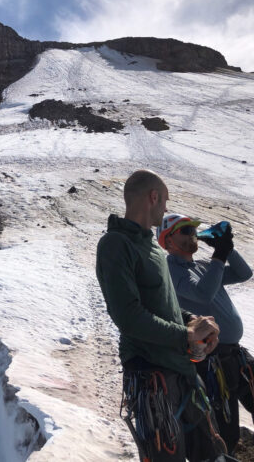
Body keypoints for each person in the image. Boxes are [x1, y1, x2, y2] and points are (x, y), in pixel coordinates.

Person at [96, 170, 227, 462]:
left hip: (179, 373)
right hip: (152, 378)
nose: (166, 208)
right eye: (165, 200)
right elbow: (128, 316)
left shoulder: (151, 249)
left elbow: (164, 306)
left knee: (211, 455)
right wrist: (186, 335)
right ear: (153, 197)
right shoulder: (116, 245)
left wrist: (192, 321)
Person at [158, 213, 254, 462]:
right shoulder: (171, 272)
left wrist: (226, 250)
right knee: (224, 434)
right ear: (168, 241)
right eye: (185, 230)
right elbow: (203, 294)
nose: (192, 234)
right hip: (209, 360)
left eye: (193, 230)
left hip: (233, 354)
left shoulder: (204, 267)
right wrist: (219, 255)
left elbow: (243, 273)